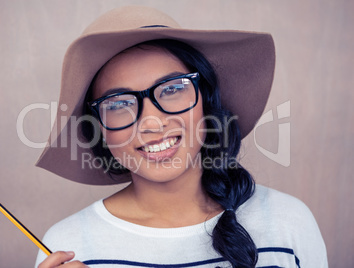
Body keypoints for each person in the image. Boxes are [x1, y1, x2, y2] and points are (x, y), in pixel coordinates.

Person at [35, 6, 328, 268]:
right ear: (99, 127)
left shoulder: (289, 223)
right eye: (119, 104)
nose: (152, 123)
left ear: (207, 100)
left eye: (173, 89)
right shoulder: (68, 247)